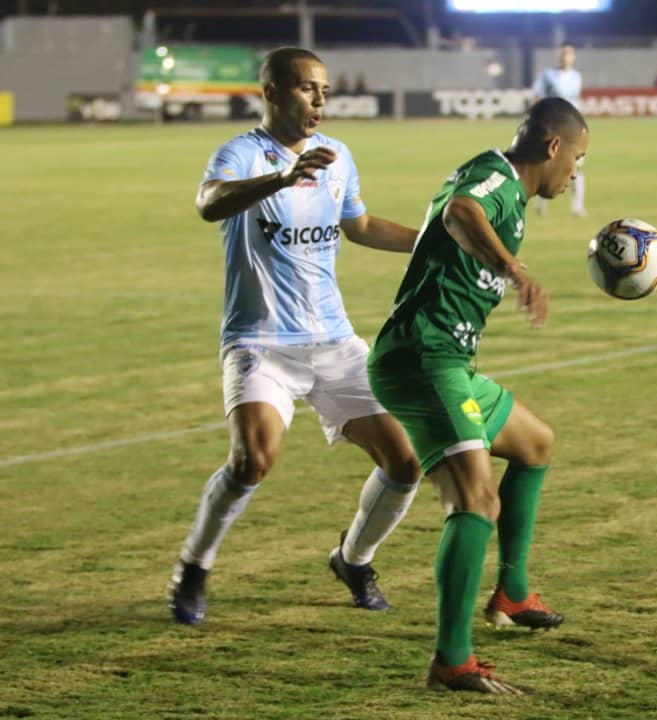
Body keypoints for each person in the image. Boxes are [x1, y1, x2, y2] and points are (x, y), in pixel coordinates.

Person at [168, 47, 423, 625]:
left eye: (325, 90)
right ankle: (193, 568)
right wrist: (282, 177)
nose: (319, 100)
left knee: (406, 462)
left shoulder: (338, 156)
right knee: (251, 460)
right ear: (273, 92)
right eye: (308, 88)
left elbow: (359, 225)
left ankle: (353, 559)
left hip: (334, 341)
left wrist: (431, 241)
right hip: (260, 341)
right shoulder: (240, 153)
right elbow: (209, 203)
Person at [367, 97, 588, 694]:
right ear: (553, 147)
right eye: (577, 159)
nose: (576, 173)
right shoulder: (493, 177)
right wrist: (514, 269)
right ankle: (452, 661)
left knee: (536, 444)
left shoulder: (507, 190)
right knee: (476, 500)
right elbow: (458, 212)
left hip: (452, 363)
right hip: (422, 357)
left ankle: (512, 592)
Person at [530, 44, 586, 217]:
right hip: (553, 125)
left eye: (569, 54)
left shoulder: (577, 77)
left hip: (573, 126)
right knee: (548, 164)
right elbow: (537, 95)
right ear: (558, 57)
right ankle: (541, 203)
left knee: (576, 165)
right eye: (563, 54)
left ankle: (577, 207)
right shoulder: (548, 75)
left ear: (573, 57)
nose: (565, 57)